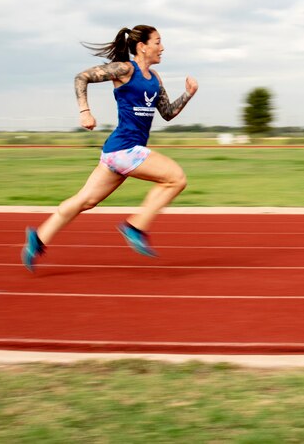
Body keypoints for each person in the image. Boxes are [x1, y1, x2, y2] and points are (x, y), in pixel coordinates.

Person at [23, 25, 198, 273]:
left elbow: (167, 113)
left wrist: (188, 93)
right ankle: (135, 227)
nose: (162, 47)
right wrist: (85, 111)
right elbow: (81, 77)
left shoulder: (155, 79)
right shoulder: (125, 69)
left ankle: (38, 237)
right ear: (142, 46)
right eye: (158, 42)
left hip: (119, 153)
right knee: (176, 178)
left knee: (86, 200)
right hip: (124, 149)